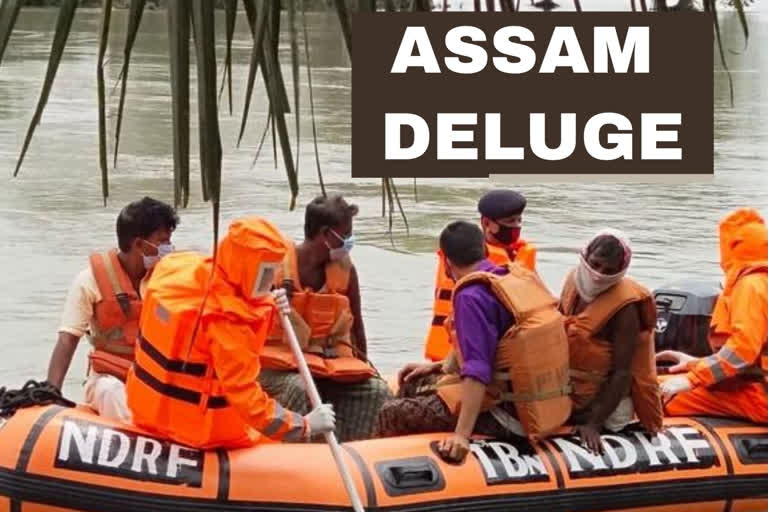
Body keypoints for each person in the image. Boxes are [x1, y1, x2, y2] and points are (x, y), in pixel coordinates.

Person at [125, 216, 336, 449]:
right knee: (276, 438)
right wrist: (303, 425)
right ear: (245, 268)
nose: (271, 280)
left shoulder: (179, 267)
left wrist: (269, 305)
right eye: (266, 273)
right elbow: (247, 399)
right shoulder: (226, 323)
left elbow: (237, 296)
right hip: (196, 431)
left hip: (145, 409)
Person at [376, 221, 571, 463]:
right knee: (414, 381)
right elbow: (502, 350)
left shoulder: (471, 297)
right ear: (484, 249)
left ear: (446, 261)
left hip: (506, 416)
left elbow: (478, 369)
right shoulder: (507, 278)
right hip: (532, 402)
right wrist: (436, 367)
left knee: (392, 413)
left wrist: (461, 436)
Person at [258, 195, 392, 442]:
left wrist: (366, 368)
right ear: (326, 235)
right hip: (277, 370)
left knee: (376, 391)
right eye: (347, 234)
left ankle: (355, 456)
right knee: (300, 388)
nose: (350, 241)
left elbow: (357, 325)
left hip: (327, 368)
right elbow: (247, 324)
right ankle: (302, 456)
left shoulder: (346, 271)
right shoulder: (272, 269)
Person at [47, 197, 178, 423]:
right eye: (163, 242)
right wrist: (50, 394)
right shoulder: (89, 281)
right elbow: (68, 339)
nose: (169, 249)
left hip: (157, 379)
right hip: (109, 378)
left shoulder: (172, 278)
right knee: (110, 392)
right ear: (139, 244)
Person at [657, 208, 767, 424]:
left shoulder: (751, 286)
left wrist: (693, 378)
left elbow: (743, 350)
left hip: (759, 397)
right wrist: (697, 363)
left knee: (652, 394)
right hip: (756, 386)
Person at [559, 229, 662, 454]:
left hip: (607, 403)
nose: (598, 275)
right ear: (585, 256)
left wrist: (594, 424)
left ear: (620, 271)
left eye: (608, 270)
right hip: (572, 391)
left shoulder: (626, 309)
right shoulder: (573, 282)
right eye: (595, 264)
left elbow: (622, 373)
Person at [423, 189, 537, 362]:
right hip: (457, 351)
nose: (515, 227)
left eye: (519, 220)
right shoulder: (465, 255)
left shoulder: (519, 254)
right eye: (509, 221)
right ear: (486, 223)